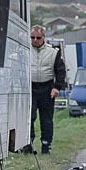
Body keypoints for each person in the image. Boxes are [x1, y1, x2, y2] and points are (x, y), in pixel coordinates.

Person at [26, 25, 66, 154]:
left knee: (46, 119)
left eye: (38, 38)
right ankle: (28, 144)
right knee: (29, 117)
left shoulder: (53, 52)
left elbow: (60, 71)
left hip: (47, 88)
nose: (35, 40)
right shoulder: (25, 50)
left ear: (43, 37)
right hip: (30, 88)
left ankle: (46, 145)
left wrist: (57, 87)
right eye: (32, 37)